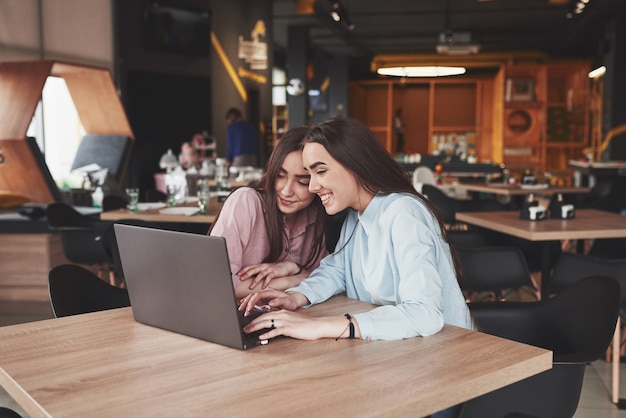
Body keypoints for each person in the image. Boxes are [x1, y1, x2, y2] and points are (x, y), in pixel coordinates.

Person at [209, 126, 329, 299]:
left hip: (288, 317)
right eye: (280, 176)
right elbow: (218, 282)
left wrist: (292, 268)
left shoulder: (314, 216)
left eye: (302, 182)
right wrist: (288, 281)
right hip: (232, 319)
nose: (287, 191)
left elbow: (326, 279)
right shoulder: (246, 201)